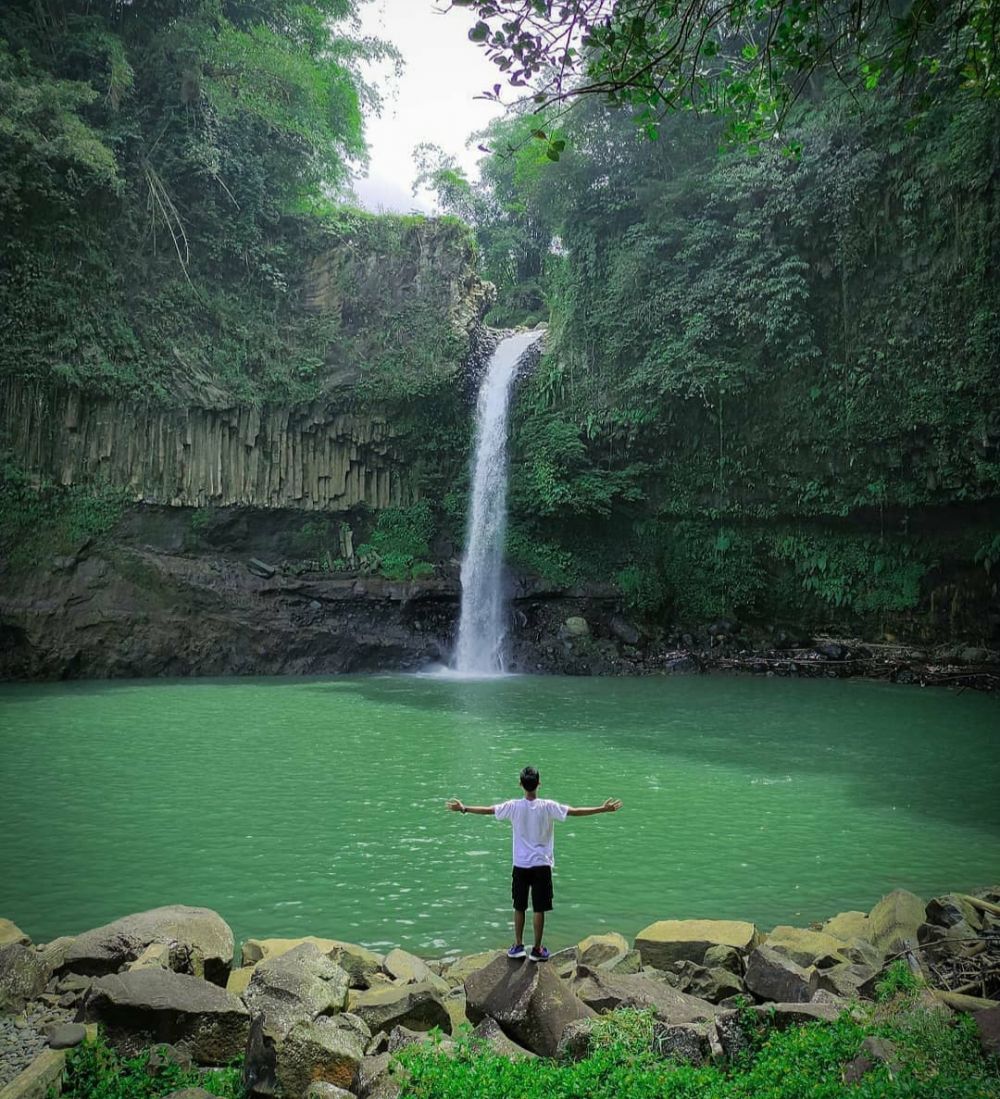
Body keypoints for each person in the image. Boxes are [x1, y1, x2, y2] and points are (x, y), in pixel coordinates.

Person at [446, 765, 622, 962]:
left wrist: (464, 809)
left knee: (519, 906)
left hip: (520, 865)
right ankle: (537, 949)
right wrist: (602, 809)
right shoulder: (548, 806)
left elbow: (489, 810)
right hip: (542, 865)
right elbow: (574, 812)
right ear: (539, 783)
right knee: (539, 908)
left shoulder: (513, 806)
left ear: (520, 784)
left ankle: (518, 946)